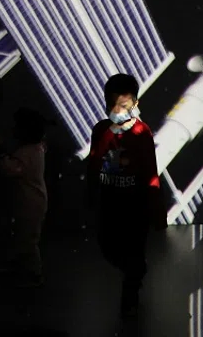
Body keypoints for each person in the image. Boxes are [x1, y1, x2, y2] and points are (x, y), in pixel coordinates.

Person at [86, 73, 168, 321]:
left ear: (135, 105)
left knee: (133, 251)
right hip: (109, 204)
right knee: (108, 246)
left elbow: (150, 171)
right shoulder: (100, 130)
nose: (116, 110)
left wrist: (156, 208)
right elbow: (93, 163)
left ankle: (130, 293)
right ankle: (134, 273)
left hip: (135, 206)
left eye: (123, 105)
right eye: (112, 105)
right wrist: (90, 194)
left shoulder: (142, 133)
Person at [0, 107, 52, 288]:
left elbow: (11, 169)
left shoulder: (26, 153)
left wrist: (2, 155)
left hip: (29, 203)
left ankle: (34, 273)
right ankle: (24, 268)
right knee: (26, 236)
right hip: (34, 202)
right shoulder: (38, 149)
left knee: (28, 239)